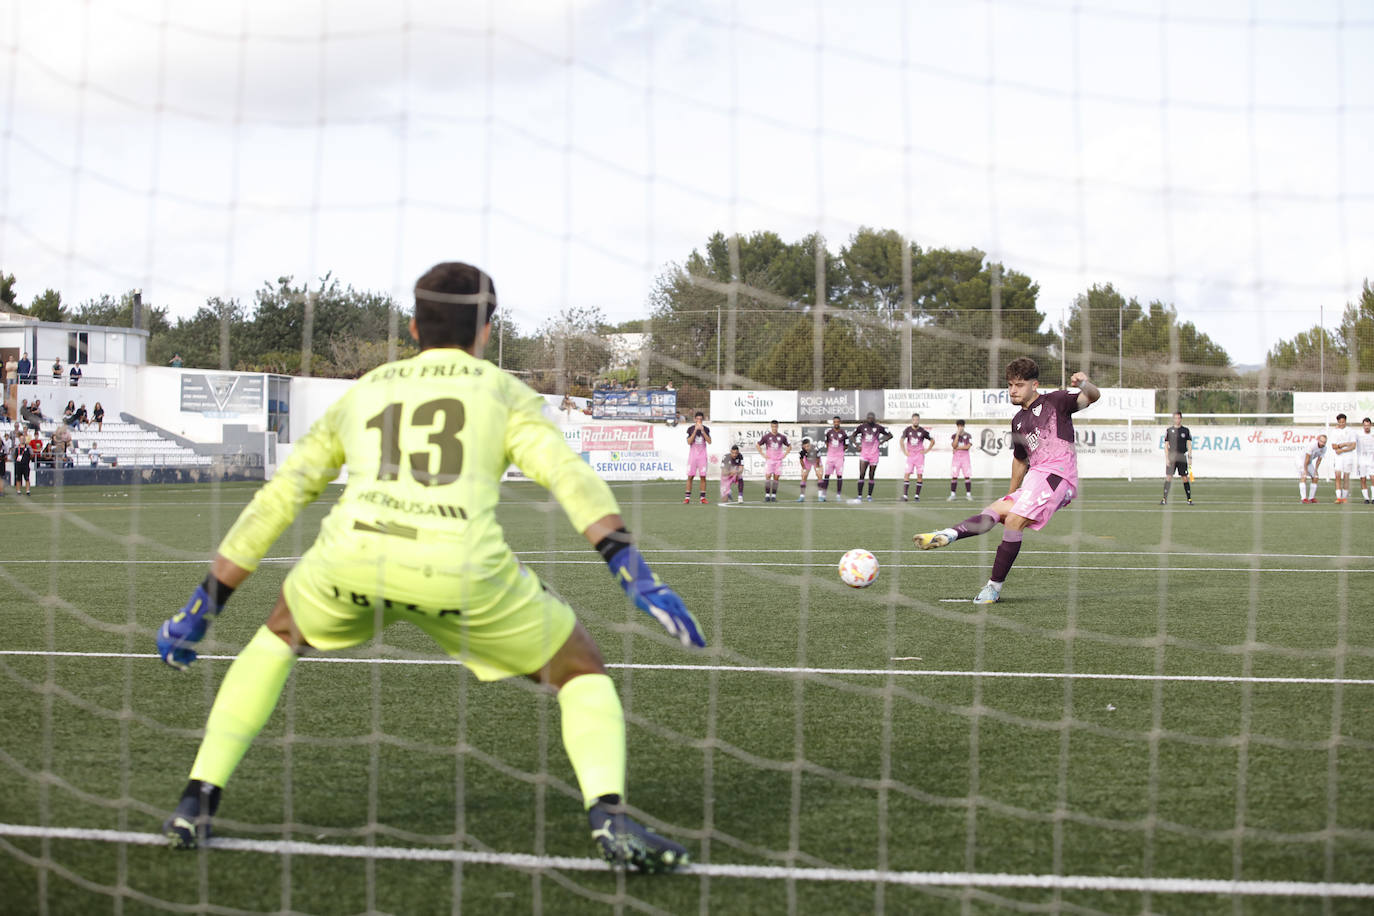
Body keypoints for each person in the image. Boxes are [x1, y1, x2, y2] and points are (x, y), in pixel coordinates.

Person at [155, 262, 702, 872]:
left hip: (353, 559)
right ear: (487, 330)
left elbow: (281, 497)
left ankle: (195, 801)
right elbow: (568, 476)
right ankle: (608, 816)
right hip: (460, 570)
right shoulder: (503, 391)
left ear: (413, 327)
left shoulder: (366, 389)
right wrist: (629, 567)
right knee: (581, 669)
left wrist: (208, 600)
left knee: (281, 633)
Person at [913, 358, 1100, 605]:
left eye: (1019, 385)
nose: (1013, 390)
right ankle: (948, 534)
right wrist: (1011, 495)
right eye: (1010, 385)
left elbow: (1093, 396)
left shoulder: (1056, 401)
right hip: (1036, 478)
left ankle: (993, 587)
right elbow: (1020, 461)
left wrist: (1084, 382)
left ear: (1035, 385)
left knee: (1013, 520)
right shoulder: (1018, 422)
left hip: (1059, 476)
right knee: (997, 510)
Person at [849, 412, 891, 503]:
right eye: (869, 417)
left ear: (874, 418)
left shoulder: (878, 427)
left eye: (872, 418)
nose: (870, 419)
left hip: (874, 454)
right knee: (862, 474)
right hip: (864, 454)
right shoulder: (862, 427)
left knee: (871, 475)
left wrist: (881, 442)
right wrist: (857, 445)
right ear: (866, 418)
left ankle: (869, 496)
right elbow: (852, 436)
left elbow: (890, 435)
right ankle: (859, 496)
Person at [899, 413, 934, 502]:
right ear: (912, 420)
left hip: (919, 456)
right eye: (914, 419)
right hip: (910, 455)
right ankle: (905, 496)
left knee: (919, 475)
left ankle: (916, 496)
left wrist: (926, 451)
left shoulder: (922, 431)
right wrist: (904, 451)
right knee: (907, 474)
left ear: (919, 420)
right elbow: (901, 441)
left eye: (917, 420)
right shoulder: (907, 430)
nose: (916, 421)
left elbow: (932, 441)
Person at [1161, 411, 1194, 505]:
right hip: (1172, 457)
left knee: (1185, 477)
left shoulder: (1185, 430)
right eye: (1175, 418)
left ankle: (1189, 499)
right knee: (1168, 477)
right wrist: (1167, 458)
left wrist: (1190, 457)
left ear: (1181, 419)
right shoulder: (1169, 430)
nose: (1177, 420)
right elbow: (1166, 445)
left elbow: (1189, 445)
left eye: (1179, 418)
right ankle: (1164, 499)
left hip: (1182, 457)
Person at [756, 420, 791, 503]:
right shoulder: (766, 436)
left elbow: (789, 446)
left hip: (778, 461)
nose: (774, 428)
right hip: (770, 460)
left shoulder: (782, 437)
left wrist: (785, 454)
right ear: (771, 427)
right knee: (768, 476)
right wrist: (762, 454)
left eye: (776, 426)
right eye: (773, 426)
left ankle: (774, 496)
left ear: (777, 427)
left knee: (776, 478)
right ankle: (767, 496)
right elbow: (758, 444)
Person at [818, 416, 849, 502]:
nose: (836, 423)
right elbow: (827, 443)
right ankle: (823, 495)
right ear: (833, 422)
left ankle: (838, 495)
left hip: (839, 458)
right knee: (826, 475)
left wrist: (839, 452)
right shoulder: (829, 433)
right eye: (835, 422)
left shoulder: (844, 433)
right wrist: (832, 451)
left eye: (837, 422)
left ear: (840, 422)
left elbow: (846, 446)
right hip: (830, 458)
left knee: (839, 476)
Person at [1328, 413, 1357, 505]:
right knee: (1337, 476)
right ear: (1338, 422)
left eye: (1343, 422)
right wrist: (1343, 445)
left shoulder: (1351, 431)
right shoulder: (1334, 431)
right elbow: (1333, 446)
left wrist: (1342, 450)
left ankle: (1344, 498)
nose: (1341, 424)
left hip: (1348, 456)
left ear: (1345, 421)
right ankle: (1338, 497)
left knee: (1346, 477)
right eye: (1340, 422)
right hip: (1338, 457)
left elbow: (1353, 446)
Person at [684, 412, 711, 504]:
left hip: (702, 456)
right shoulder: (691, 429)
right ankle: (687, 498)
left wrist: (702, 431)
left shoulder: (706, 429)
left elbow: (709, 441)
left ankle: (702, 498)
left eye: (701, 419)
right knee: (690, 476)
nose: (699, 421)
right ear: (695, 419)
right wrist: (695, 431)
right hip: (693, 456)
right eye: (697, 419)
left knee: (703, 476)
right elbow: (689, 442)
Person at [949, 419, 974, 501]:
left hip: (965, 458)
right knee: (954, 476)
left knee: (967, 476)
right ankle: (953, 495)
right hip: (956, 458)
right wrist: (957, 435)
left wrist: (957, 448)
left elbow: (967, 447)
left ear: (964, 426)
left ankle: (968, 494)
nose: (960, 428)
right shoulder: (954, 436)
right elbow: (954, 445)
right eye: (959, 426)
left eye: (961, 426)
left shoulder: (968, 436)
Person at [1298, 434, 1328, 503]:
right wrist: (1305, 471)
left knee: (1315, 477)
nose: (1322, 443)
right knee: (1304, 476)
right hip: (1301, 460)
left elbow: (1319, 460)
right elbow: (1306, 459)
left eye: (1324, 442)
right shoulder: (1312, 445)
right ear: (1318, 440)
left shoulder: (1324, 448)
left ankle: (1311, 498)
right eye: (1321, 441)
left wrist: (1316, 470)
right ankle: (1304, 498)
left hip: (1309, 462)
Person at [795, 437, 821, 502]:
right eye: (805, 446)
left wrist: (817, 467)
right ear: (803, 446)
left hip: (815, 460)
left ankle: (821, 496)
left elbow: (818, 458)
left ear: (810, 445)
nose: (807, 448)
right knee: (804, 476)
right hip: (807, 461)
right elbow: (801, 460)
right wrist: (804, 468)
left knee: (819, 475)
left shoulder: (815, 449)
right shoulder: (801, 451)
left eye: (808, 446)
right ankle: (802, 496)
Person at [1356, 417, 1374, 504]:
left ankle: (1373, 498)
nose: (1366, 427)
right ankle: (1366, 498)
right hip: (1362, 460)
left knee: (1373, 478)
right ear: (1363, 426)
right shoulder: (1358, 435)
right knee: (1363, 479)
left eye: (1368, 425)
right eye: (1365, 425)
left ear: (1370, 425)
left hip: (1371, 460)